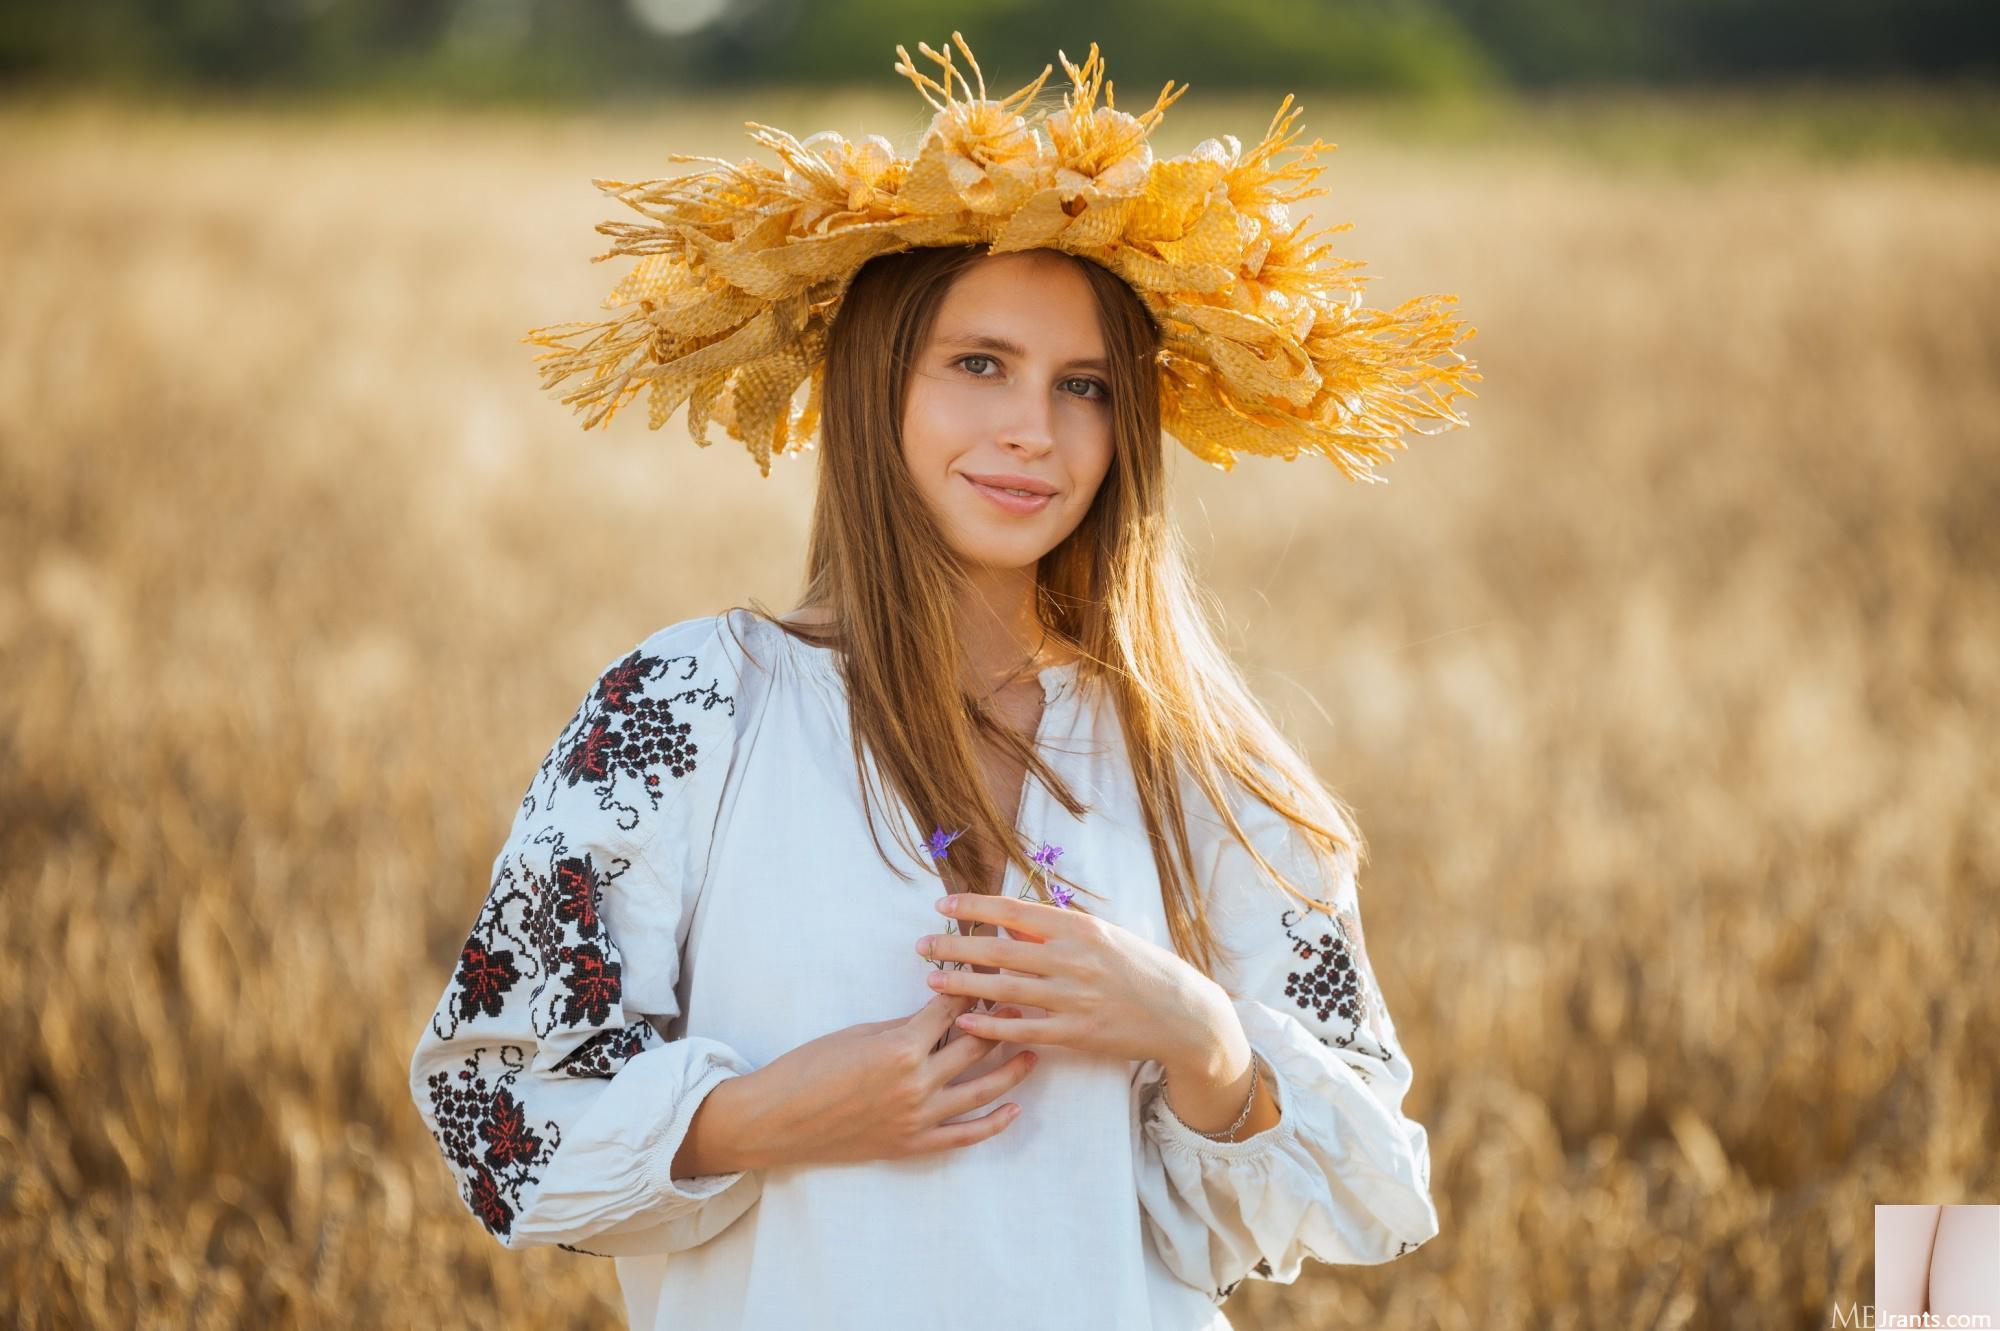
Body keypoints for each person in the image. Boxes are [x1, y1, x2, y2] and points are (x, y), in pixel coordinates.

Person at [409, 35, 1477, 1331]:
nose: (1035, 428)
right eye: (980, 364)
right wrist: (763, 1116)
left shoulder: (1195, 755)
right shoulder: (680, 709)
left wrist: (1196, 1037)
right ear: (878, 384)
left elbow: (1368, 1183)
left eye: (1084, 386)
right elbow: (496, 1113)